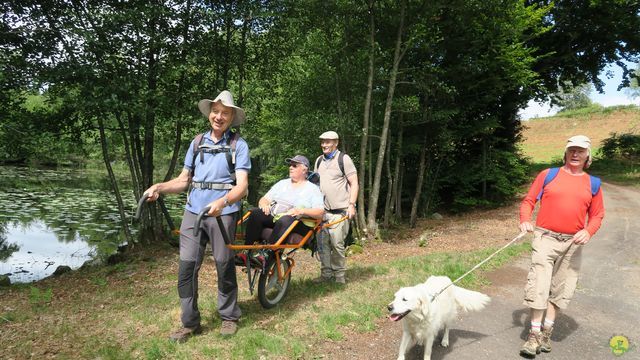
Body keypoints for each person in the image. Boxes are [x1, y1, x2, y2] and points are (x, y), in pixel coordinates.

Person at [143, 90, 251, 341]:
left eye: (225, 113)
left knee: (224, 264)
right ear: (209, 114)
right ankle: (190, 323)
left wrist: (222, 202)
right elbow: (183, 181)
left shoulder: (238, 145)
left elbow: (242, 186)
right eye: (215, 111)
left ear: (232, 117)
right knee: (187, 266)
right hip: (193, 212)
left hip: (222, 213)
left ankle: (228, 316)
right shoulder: (196, 142)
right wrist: (159, 187)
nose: (219, 116)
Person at [518, 135, 605, 357]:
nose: (575, 154)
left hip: (572, 242)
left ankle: (547, 332)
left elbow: (597, 215)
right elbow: (529, 201)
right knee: (539, 283)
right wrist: (525, 220)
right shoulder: (548, 175)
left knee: (561, 287)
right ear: (565, 153)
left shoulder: (593, 183)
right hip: (545, 238)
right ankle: (534, 336)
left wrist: (588, 230)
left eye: (580, 151)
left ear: (588, 155)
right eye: (571, 150)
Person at [240, 155, 324, 264]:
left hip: (298, 222)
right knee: (256, 213)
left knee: (286, 219)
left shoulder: (312, 189)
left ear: (304, 169)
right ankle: (247, 251)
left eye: (294, 165)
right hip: (276, 217)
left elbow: (320, 213)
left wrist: (301, 211)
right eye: (290, 165)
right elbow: (264, 199)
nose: (290, 168)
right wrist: (264, 204)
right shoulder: (282, 184)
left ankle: (267, 254)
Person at [313, 131, 359, 284]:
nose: (324, 145)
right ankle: (326, 274)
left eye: (327, 142)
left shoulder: (343, 159)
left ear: (336, 143)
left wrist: (351, 205)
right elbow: (314, 186)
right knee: (323, 245)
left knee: (337, 244)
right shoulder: (319, 161)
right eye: (322, 142)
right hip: (322, 212)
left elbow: (354, 183)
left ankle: (339, 276)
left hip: (340, 212)